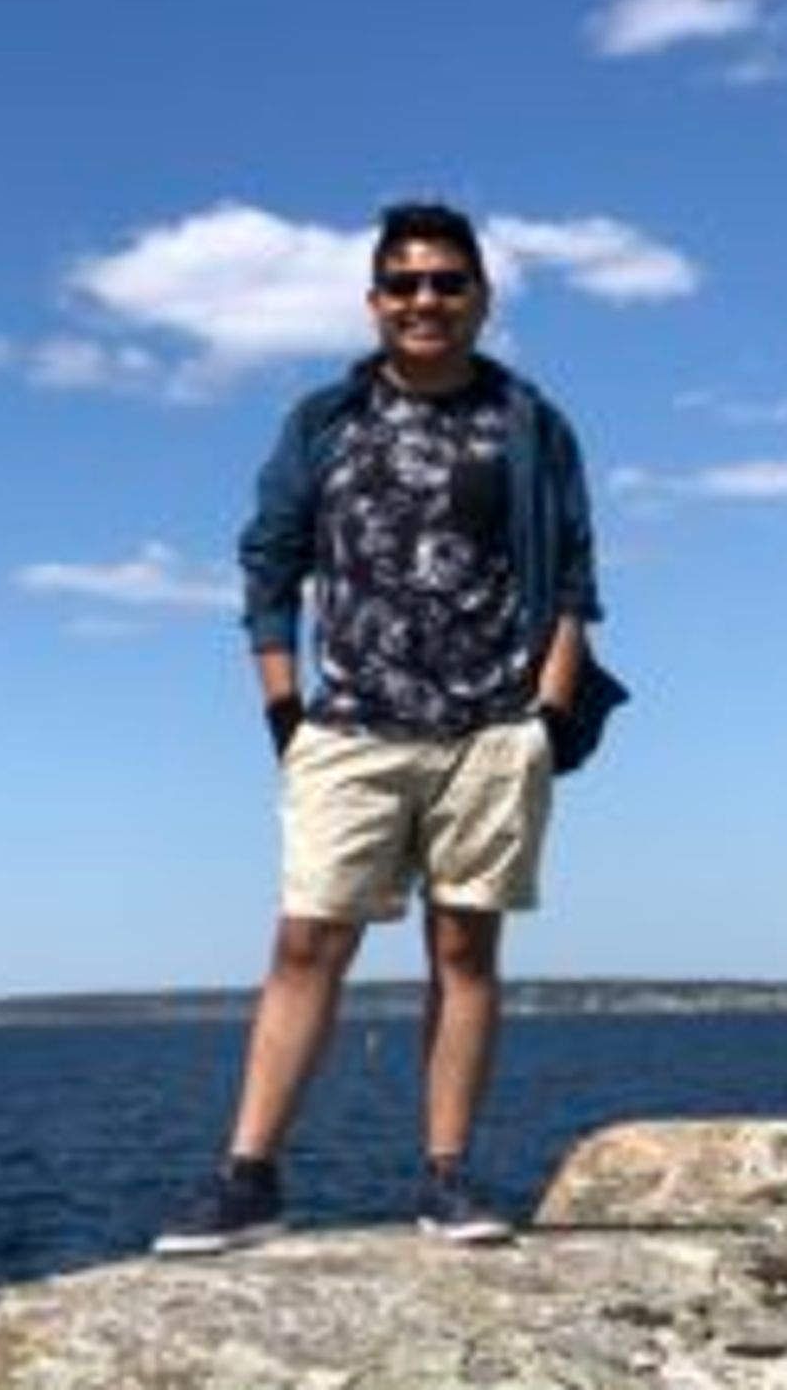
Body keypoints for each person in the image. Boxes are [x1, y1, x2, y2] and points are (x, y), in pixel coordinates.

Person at [153, 201, 618, 1255]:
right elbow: (269, 564)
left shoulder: (532, 423)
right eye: (405, 284)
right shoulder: (325, 421)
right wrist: (284, 706)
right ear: (374, 302)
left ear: (481, 299)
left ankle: (448, 1180)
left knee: (465, 947)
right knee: (307, 941)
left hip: (491, 729)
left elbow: (576, 586)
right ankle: (249, 1178)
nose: (426, 300)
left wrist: (543, 717)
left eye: (447, 282)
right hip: (351, 725)